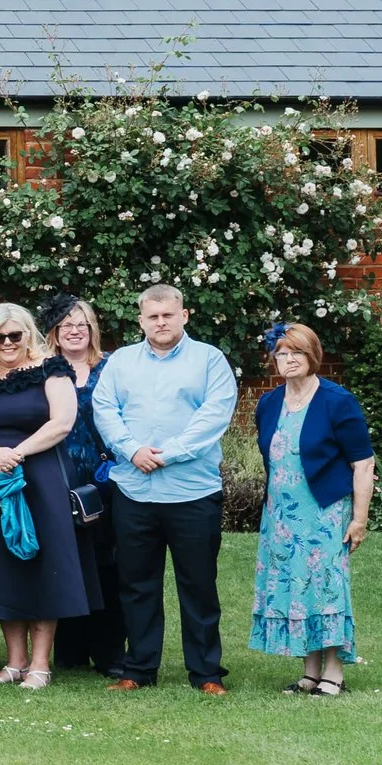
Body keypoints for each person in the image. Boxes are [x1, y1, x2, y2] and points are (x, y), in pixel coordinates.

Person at [90, 284, 239, 694]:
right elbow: (104, 409)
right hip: (134, 491)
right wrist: (131, 449)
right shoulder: (120, 362)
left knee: (199, 585)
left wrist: (167, 454)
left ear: (184, 315)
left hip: (192, 492)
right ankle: (137, 669)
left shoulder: (209, 360)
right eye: (152, 316)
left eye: (168, 315)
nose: (160, 322)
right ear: (141, 320)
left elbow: (214, 416)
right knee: (136, 585)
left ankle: (207, 673)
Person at [0, 303, 88, 690]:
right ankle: (15, 662)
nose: (8, 343)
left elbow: (62, 421)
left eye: (16, 335)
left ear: (30, 334)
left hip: (39, 477)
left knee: (41, 566)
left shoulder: (51, 369)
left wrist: (18, 453)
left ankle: (41, 664)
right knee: (1, 567)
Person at [251, 322, 374, 694]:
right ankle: (309, 673)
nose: (288, 360)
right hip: (281, 516)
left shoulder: (337, 401)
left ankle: (333, 672)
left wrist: (359, 519)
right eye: (282, 353)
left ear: (312, 356)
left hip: (324, 513)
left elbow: (363, 464)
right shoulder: (269, 402)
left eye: (297, 352)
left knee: (325, 589)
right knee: (295, 589)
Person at [47, 297, 122, 674]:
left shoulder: (112, 368)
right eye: (66, 325)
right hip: (58, 477)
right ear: (54, 333)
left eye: (82, 324)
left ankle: (109, 650)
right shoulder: (44, 369)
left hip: (106, 479)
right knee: (67, 560)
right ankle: (70, 650)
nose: (74, 331)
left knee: (108, 564)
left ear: (92, 330)